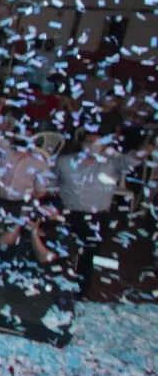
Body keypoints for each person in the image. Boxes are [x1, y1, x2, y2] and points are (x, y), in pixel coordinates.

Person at [56, 127, 134, 298]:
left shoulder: (112, 164)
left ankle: (81, 291)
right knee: (62, 253)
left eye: (97, 143)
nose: (92, 146)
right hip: (70, 215)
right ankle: (58, 287)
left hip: (97, 217)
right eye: (89, 142)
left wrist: (112, 151)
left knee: (88, 255)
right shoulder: (64, 162)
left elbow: (133, 161)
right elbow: (50, 183)